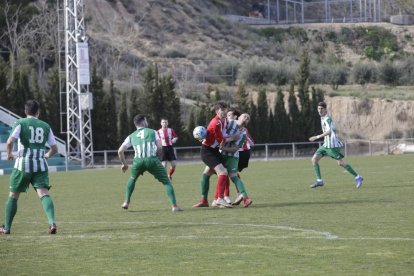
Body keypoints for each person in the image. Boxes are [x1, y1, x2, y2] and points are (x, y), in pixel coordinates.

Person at [0, 100, 58, 235]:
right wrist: (47, 156)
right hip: (40, 165)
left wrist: (9, 154)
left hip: (23, 165)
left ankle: (6, 227)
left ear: (26, 112)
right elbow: (55, 148)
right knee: (44, 194)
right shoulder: (45, 126)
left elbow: (10, 141)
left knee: (13, 196)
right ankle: (52, 222)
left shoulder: (20, 123)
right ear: (38, 112)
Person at [118, 114, 182, 212]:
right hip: (152, 159)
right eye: (146, 120)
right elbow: (160, 147)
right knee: (166, 182)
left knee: (132, 178)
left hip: (138, 161)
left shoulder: (131, 136)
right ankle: (174, 206)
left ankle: (126, 202)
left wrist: (124, 164)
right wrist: (158, 158)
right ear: (143, 121)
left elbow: (120, 151)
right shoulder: (152, 132)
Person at [192, 101, 239, 208]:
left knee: (207, 173)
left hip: (214, 151)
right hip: (207, 151)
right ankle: (220, 199)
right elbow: (221, 139)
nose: (224, 112)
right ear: (217, 111)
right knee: (222, 172)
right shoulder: (216, 123)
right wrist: (234, 137)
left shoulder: (225, 120)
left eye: (225, 109)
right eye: (222, 110)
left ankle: (206, 201)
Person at [308, 102, 363, 189]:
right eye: (318, 109)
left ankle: (358, 177)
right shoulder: (322, 118)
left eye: (321, 109)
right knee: (314, 160)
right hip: (326, 145)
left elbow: (330, 131)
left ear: (325, 109)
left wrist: (317, 137)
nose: (319, 110)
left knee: (340, 163)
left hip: (332, 146)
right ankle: (319, 181)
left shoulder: (327, 119)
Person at [214, 113, 253, 208]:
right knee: (214, 174)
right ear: (238, 117)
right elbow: (219, 129)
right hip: (221, 155)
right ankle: (217, 199)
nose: (247, 117)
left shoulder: (243, 133)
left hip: (232, 157)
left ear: (247, 122)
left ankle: (245, 198)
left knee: (233, 176)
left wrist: (223, 148)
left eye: (248, 118)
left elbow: (235, 149)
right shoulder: (229, 122)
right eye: (245, 115)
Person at [227, 110, 255, 206]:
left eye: (230, 114)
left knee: (227, 173)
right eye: (245, 116)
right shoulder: (230, 124)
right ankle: (242, 196)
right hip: (242, 153)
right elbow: (252, 143)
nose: (229, 116)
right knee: (232, 174)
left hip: (238, 153)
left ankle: (224, 197)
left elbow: (251, 143)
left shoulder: (242, 131)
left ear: (236, 117)